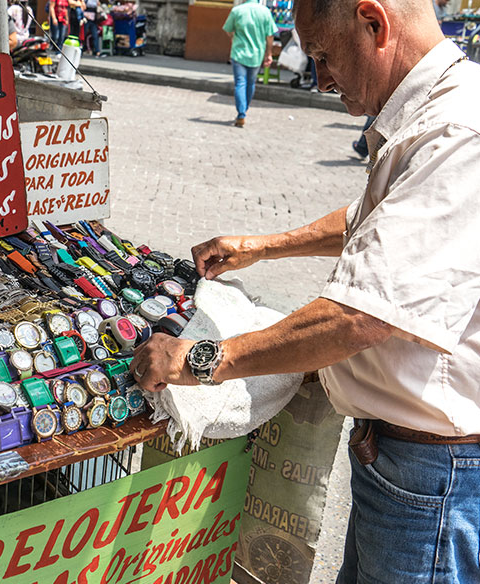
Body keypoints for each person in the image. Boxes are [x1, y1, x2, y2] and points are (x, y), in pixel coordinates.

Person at [131, 0, 480, 579]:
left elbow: (359, 316)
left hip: (433, 476)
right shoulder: (427, 118)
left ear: (374, 23)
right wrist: (263, 246)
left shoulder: (458, 131)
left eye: (322, 54)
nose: (319, 79)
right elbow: (367, 224)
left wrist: (198, 360)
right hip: (400, 465)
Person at [222, 0, 279, 127]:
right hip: (256, 54)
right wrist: (268, 53)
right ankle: (244, 110)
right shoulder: (265, 12)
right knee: (250, 83)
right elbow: (270, 35)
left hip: (239, 52)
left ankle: (241, 113)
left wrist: (234, 37)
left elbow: (228, 29)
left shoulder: (237, 11)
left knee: (240, 82)